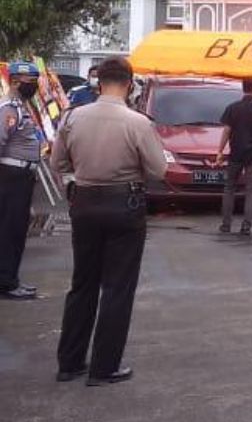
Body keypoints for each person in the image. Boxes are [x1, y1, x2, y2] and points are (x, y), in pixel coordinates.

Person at [51, 57, 167, 386]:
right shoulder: (137, 123)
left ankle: (70, 363)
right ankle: (104, 367)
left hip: (84, 202)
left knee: (82, 283)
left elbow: (57, 162)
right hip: (124, 204)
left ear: (98, 82)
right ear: (129, 84)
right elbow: (160, 169)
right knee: (117, 287)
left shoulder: (73, 118)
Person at [0, 61, 43, 300]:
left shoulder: (20, 106)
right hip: (11, 177)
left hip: (21, 176)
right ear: (15, 81)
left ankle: (11, 278)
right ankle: (6, 283)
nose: (34, 87)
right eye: (30, 82)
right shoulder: (8, 108)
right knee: (9, 231)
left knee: (16, 230)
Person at [216, 78, 252, 235]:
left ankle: (226, 225)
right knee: (251, 190)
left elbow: (226, 131)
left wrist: (220, 151)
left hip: (235, 153)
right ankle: (246, 226)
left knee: (229, 188)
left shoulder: (232, 108)